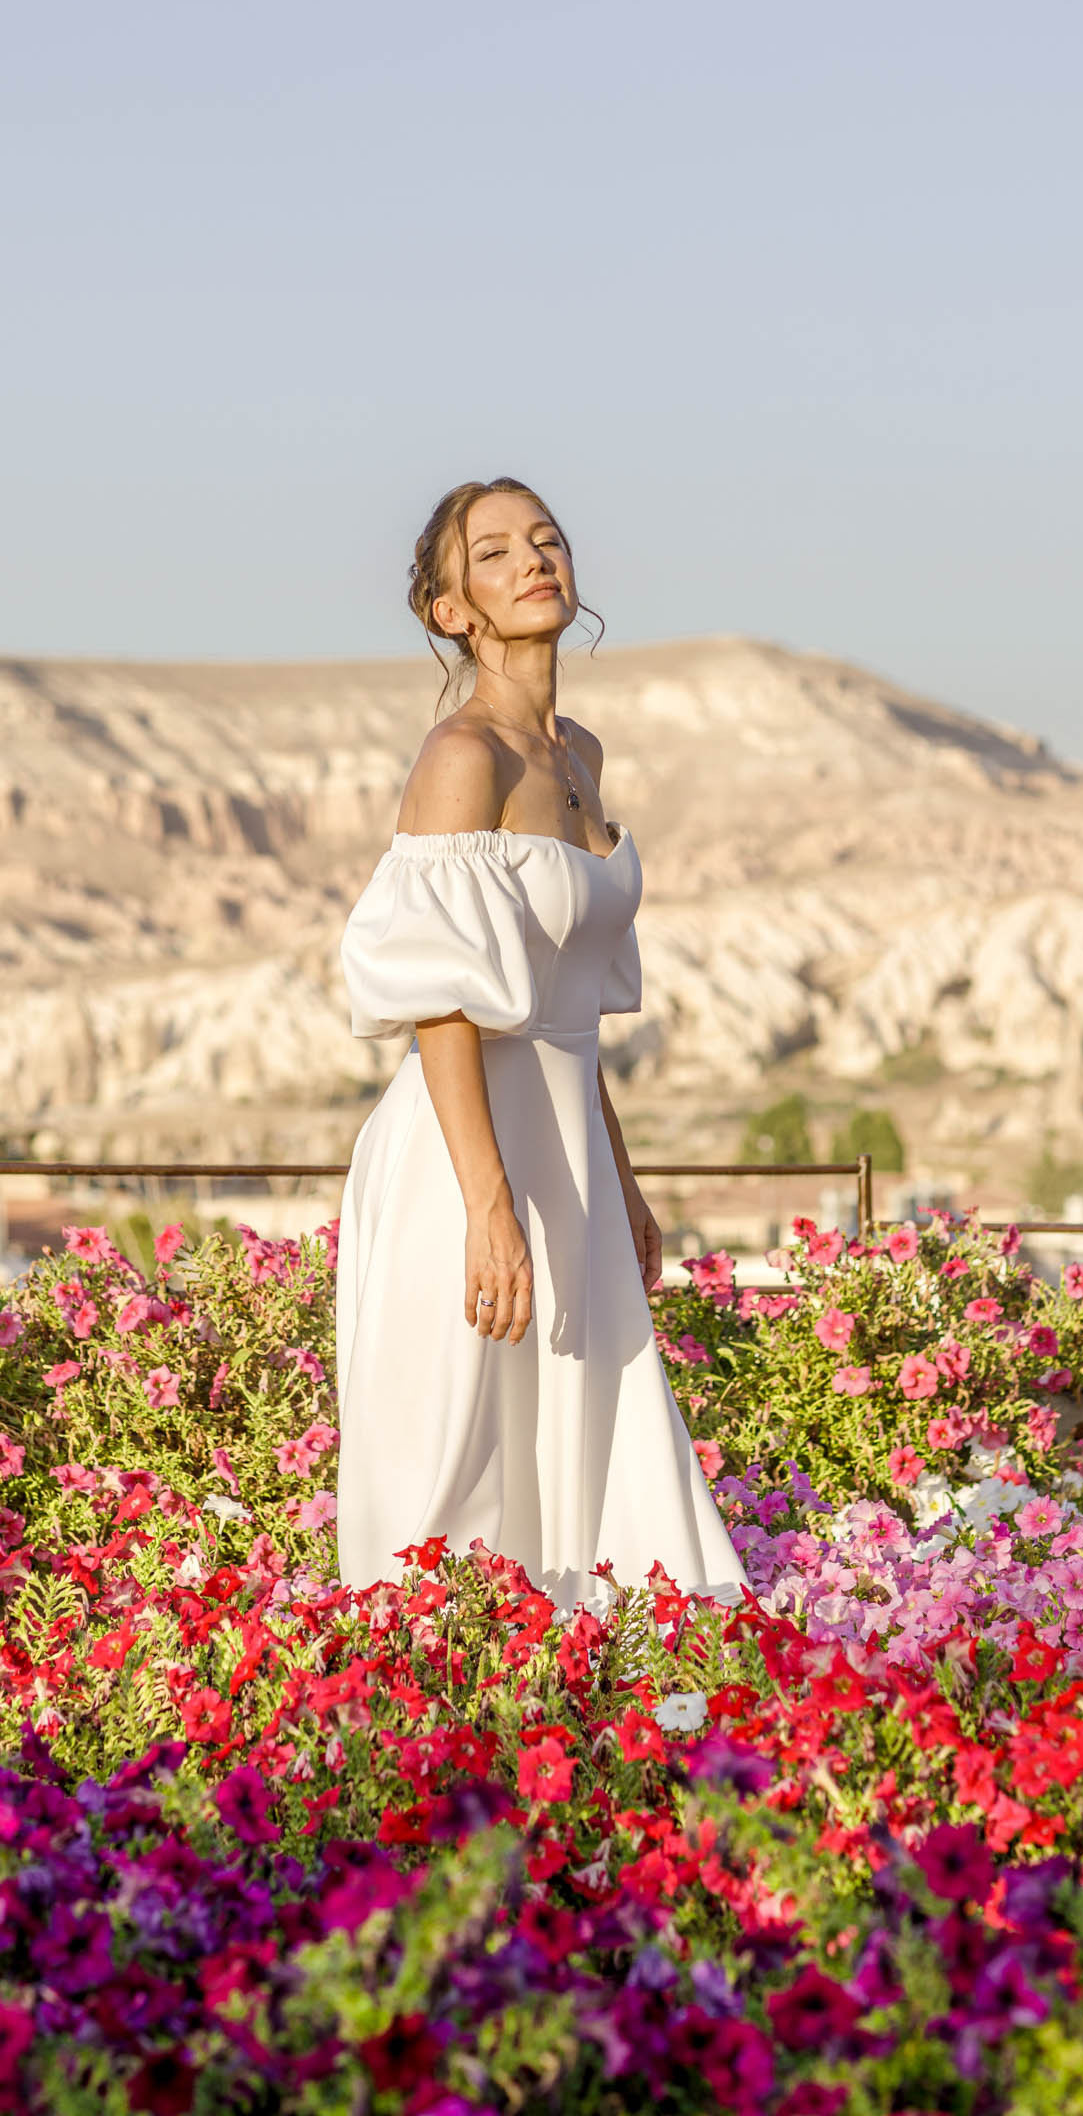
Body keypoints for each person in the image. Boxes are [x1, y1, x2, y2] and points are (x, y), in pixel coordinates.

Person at [335, 476, 744, 1605]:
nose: (533, 560)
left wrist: (620, 1182)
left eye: (546, 538)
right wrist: (484, 1203)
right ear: (448, 607)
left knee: (595, 1440)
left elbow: (563, 1014)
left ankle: (605, 1722)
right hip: (461, 1154)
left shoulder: (581, 756)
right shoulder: (461, 760)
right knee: (454, 1465)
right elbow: (443, 1003)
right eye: (496, 551)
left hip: (568, 1156)